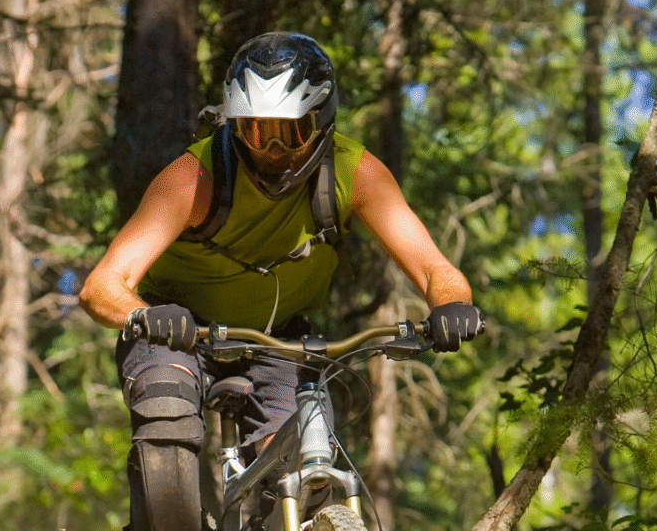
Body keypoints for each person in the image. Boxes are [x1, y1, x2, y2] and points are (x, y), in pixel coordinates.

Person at [79, 31, 482, 531]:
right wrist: (145, 315)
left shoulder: (356, 174)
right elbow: (102, 285)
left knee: (303, 461)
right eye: (254, 131)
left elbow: (434, 268)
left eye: (288, 133)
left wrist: (451, 306)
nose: (271, 151)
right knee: (166, 406)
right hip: (178, 332)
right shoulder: (192, 178)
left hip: (280, 340)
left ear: (322, 123)